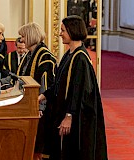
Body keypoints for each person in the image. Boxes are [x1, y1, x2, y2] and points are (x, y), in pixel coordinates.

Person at [38, 15, 108, 160]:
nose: (60, 33)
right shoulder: (68, 55)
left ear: (72, 31)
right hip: (63, 112)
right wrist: (42, 96)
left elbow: (79, 91)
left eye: (63, 30)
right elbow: (58, 84)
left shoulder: (80, 58)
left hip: (76, 119)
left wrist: (69, 116)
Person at [17, 22, 57, 160]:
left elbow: (45, 84)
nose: (21, 40)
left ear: (30, 36)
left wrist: (39, 107)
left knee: (39, 143)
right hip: (29, 104)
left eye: (23, 36)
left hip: (40, 108)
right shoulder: (30, 54)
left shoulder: (45, 56)